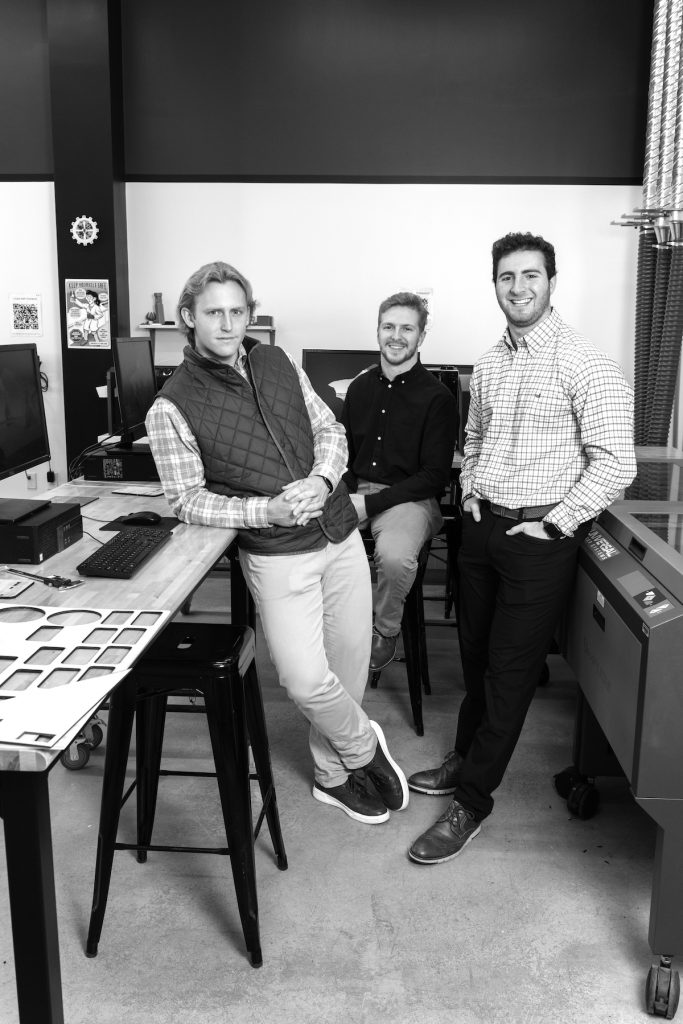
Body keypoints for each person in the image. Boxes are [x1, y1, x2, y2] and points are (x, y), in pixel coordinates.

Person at [145, 260, 409, 827]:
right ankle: (363, 746)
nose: (228, 324)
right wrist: (263, 509)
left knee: (347, 666)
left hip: (338, 533)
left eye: (237, 311)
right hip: (277, 554)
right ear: (188, 318)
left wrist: (322, 479)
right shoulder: (171, 405)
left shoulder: (279, 359)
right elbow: (187, 500)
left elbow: (329, 430)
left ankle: (332, 777)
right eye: (214, 312)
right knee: (302, 676)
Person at [407, 232, 637, 865]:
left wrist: (558, 523)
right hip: (484, 532)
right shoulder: (489, 362)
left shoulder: (584, 363)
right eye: (507, 277)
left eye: (530, 276)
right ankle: (464, 759)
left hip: (540, 541)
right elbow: (475, 438)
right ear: (495, 285)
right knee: (476, 658)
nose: (518, 288)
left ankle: (472, 804)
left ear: (552, 282)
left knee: (509, 674)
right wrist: (473, 491)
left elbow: (618, 462)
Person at [340, 292, 457, 670]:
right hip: (357, 492)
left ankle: (384, 631)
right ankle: (332, 630)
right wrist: (344, 494)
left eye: (407, 328)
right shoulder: (359, 388)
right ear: (378, 331)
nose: (396, 335)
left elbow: (434, 477)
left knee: (392, 558)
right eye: (389, 326)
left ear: (421, 337)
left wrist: (369, 504)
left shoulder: (437, 398)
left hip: (410, 500)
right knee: (303, 538)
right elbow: (344, 454)